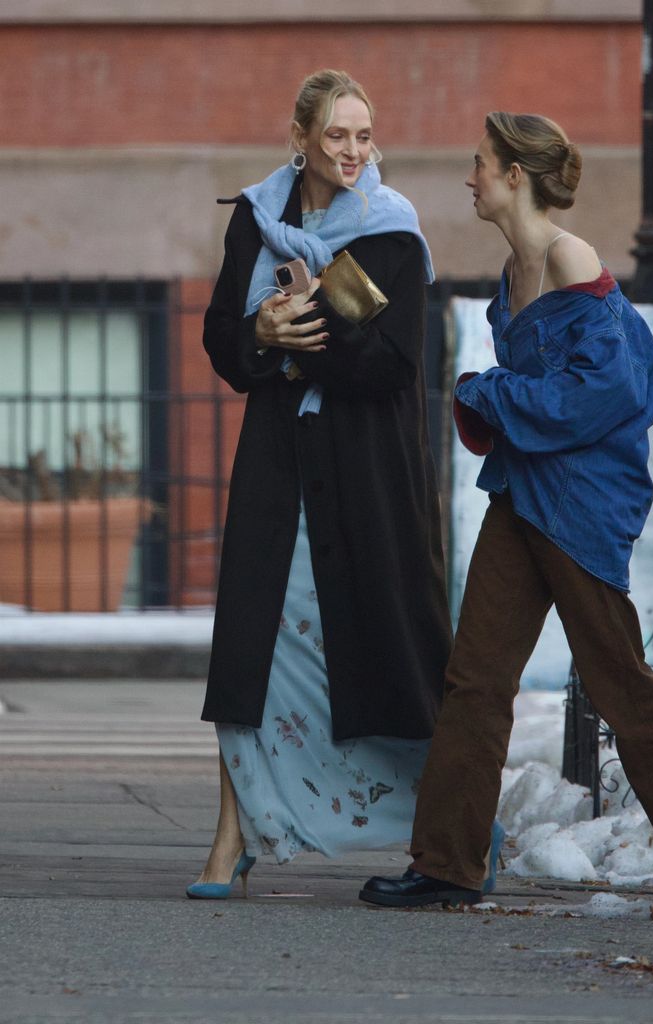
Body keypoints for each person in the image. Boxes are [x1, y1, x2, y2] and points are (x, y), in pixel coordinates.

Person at [360, 112, 653, 908]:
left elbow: (608, 390)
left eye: (480, 164)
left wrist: (491, 393)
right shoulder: (515, 269)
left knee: (620, 684)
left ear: (516, 174)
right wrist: (498, 403)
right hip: (521, 495)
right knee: (475, 678)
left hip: (578, 504)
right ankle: (447, 866)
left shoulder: (566, 256)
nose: (470, 177)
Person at [187, 69, 453, 898]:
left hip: (362, 477)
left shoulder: (391, 232)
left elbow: (395, 366)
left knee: (382, 652)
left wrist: (309, 335)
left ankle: (445, 828)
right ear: (300, 137)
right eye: (335, 135)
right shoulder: (256, 222)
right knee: (249, 654)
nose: (351, 151)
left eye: (363, 135)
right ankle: (232, 837)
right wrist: (258, 332)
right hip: (277, 468)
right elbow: (220, 343)